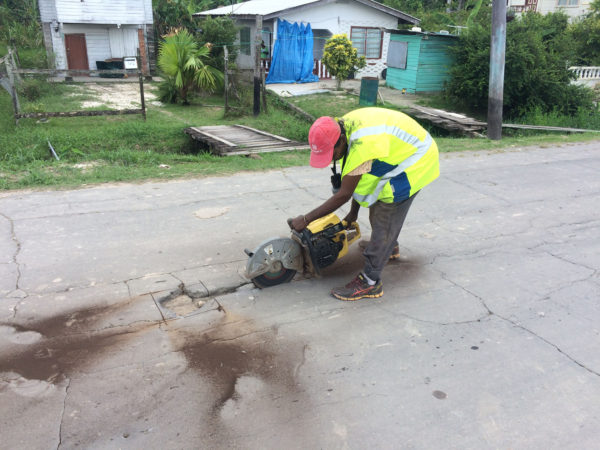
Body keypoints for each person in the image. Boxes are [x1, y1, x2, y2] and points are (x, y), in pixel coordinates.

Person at [290, 107, 439, 301]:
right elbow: (359, 184)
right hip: (399, 151)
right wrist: (353, 214)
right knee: (375, 198)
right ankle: (388, 247)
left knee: (385, 211)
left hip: (417, 159)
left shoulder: (363, 146)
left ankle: (369, 282)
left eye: (331, 154)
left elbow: (344, 194)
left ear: (340, 141)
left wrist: (306, 219)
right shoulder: (342, 129)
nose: (331, 159)